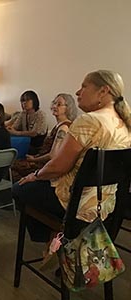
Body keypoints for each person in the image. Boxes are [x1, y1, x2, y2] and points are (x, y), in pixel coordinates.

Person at [13, 70, 131, 243]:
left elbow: (57, 166)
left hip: (76, 204)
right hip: (107, 204)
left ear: (103, 91)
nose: (78, 92)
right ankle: (61, 242)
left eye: (84, 86)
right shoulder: (124, 123)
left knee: (19, 188)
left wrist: (34, 175)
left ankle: (54, 241)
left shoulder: (89, 121)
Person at [11, 93, 78, 181]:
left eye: (59, 104)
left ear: (68, 108)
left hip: (45, 166)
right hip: (41, 160)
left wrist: (34, 159)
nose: (54, 106)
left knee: (12, 166)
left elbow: (52, 155)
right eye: (54, 103)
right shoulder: (59, 125)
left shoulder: (64, 128)